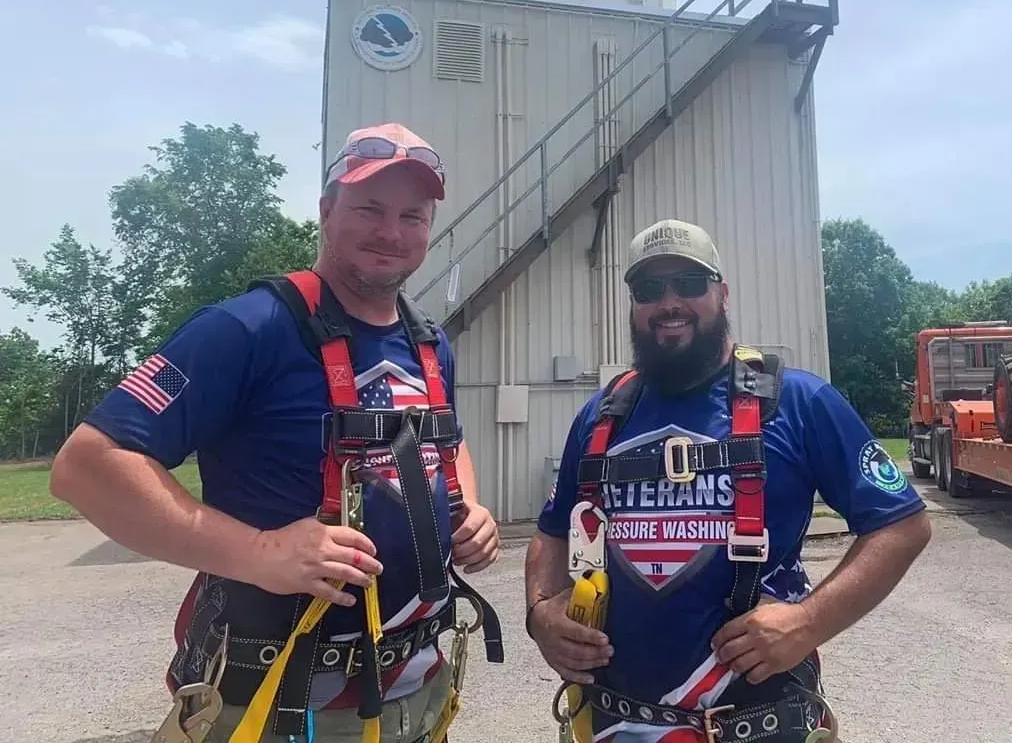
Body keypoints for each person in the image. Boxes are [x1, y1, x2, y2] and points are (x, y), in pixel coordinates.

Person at [49, 122, 503, 743]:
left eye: (412, 215)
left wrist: (468, 504)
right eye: (370, 209)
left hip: (416, 692)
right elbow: (88, 466)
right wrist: (257, 553)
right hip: (280, 704)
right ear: (325, 211)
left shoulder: (428, 341)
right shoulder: (247, 329)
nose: (392, 232)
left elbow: (444, 441)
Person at [524, 219, 932, 743]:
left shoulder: (797, 403)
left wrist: (808, 622)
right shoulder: (602, 417)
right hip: (611, 723)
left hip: (755, 725)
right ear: (633, 305)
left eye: (690, 284)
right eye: (650, 289)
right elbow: (553, 531)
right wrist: (540, 613)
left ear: (723, 293)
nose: (669, 302)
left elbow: (902, 526)